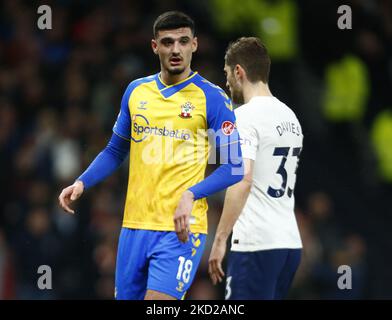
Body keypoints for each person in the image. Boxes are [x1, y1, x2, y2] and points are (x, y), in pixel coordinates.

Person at [58, 11, 243, 300]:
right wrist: (82, 182)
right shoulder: (136, 91)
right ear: (155, 47)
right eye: (167, 42)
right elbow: (115, 149)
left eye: (183, 41)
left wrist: (191, 194)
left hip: (181, 230)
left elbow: (234, 167)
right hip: (134, 228)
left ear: (194, 44)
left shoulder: (212, 99)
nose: (176, 49)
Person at [208, 37, 303, 300]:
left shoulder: (243, 118)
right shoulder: (290, 117)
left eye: (227, 74)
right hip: (289, 244)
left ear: (239, 71)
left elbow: (242, 179)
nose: (226, 83)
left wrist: (219, 239)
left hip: (255, 244)